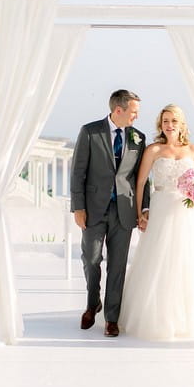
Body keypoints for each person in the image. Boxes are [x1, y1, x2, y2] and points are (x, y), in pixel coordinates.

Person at [119, 104, 194, 340]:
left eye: (174, 121)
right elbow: (140, 184)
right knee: (158, 261)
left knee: (187, 261)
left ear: (182, 125)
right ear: (161, 124)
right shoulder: (154, 150)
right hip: (160, 208)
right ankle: (156, 317)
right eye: (165, 121)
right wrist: (141, 213)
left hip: (186, 213)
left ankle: (186, 318)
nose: (169, 125)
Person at [70, 89, 149, 337]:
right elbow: (77, 173)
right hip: (93, 210)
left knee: (118, 266)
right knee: (91, 259)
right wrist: (78, 207)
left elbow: (142, 179)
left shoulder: (138, 138)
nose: (136, 117)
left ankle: (111, 318)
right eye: (134, 112)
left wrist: (143, 208)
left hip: (124, 211)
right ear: (119, 110)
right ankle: (93, 303)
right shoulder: (90, 132)